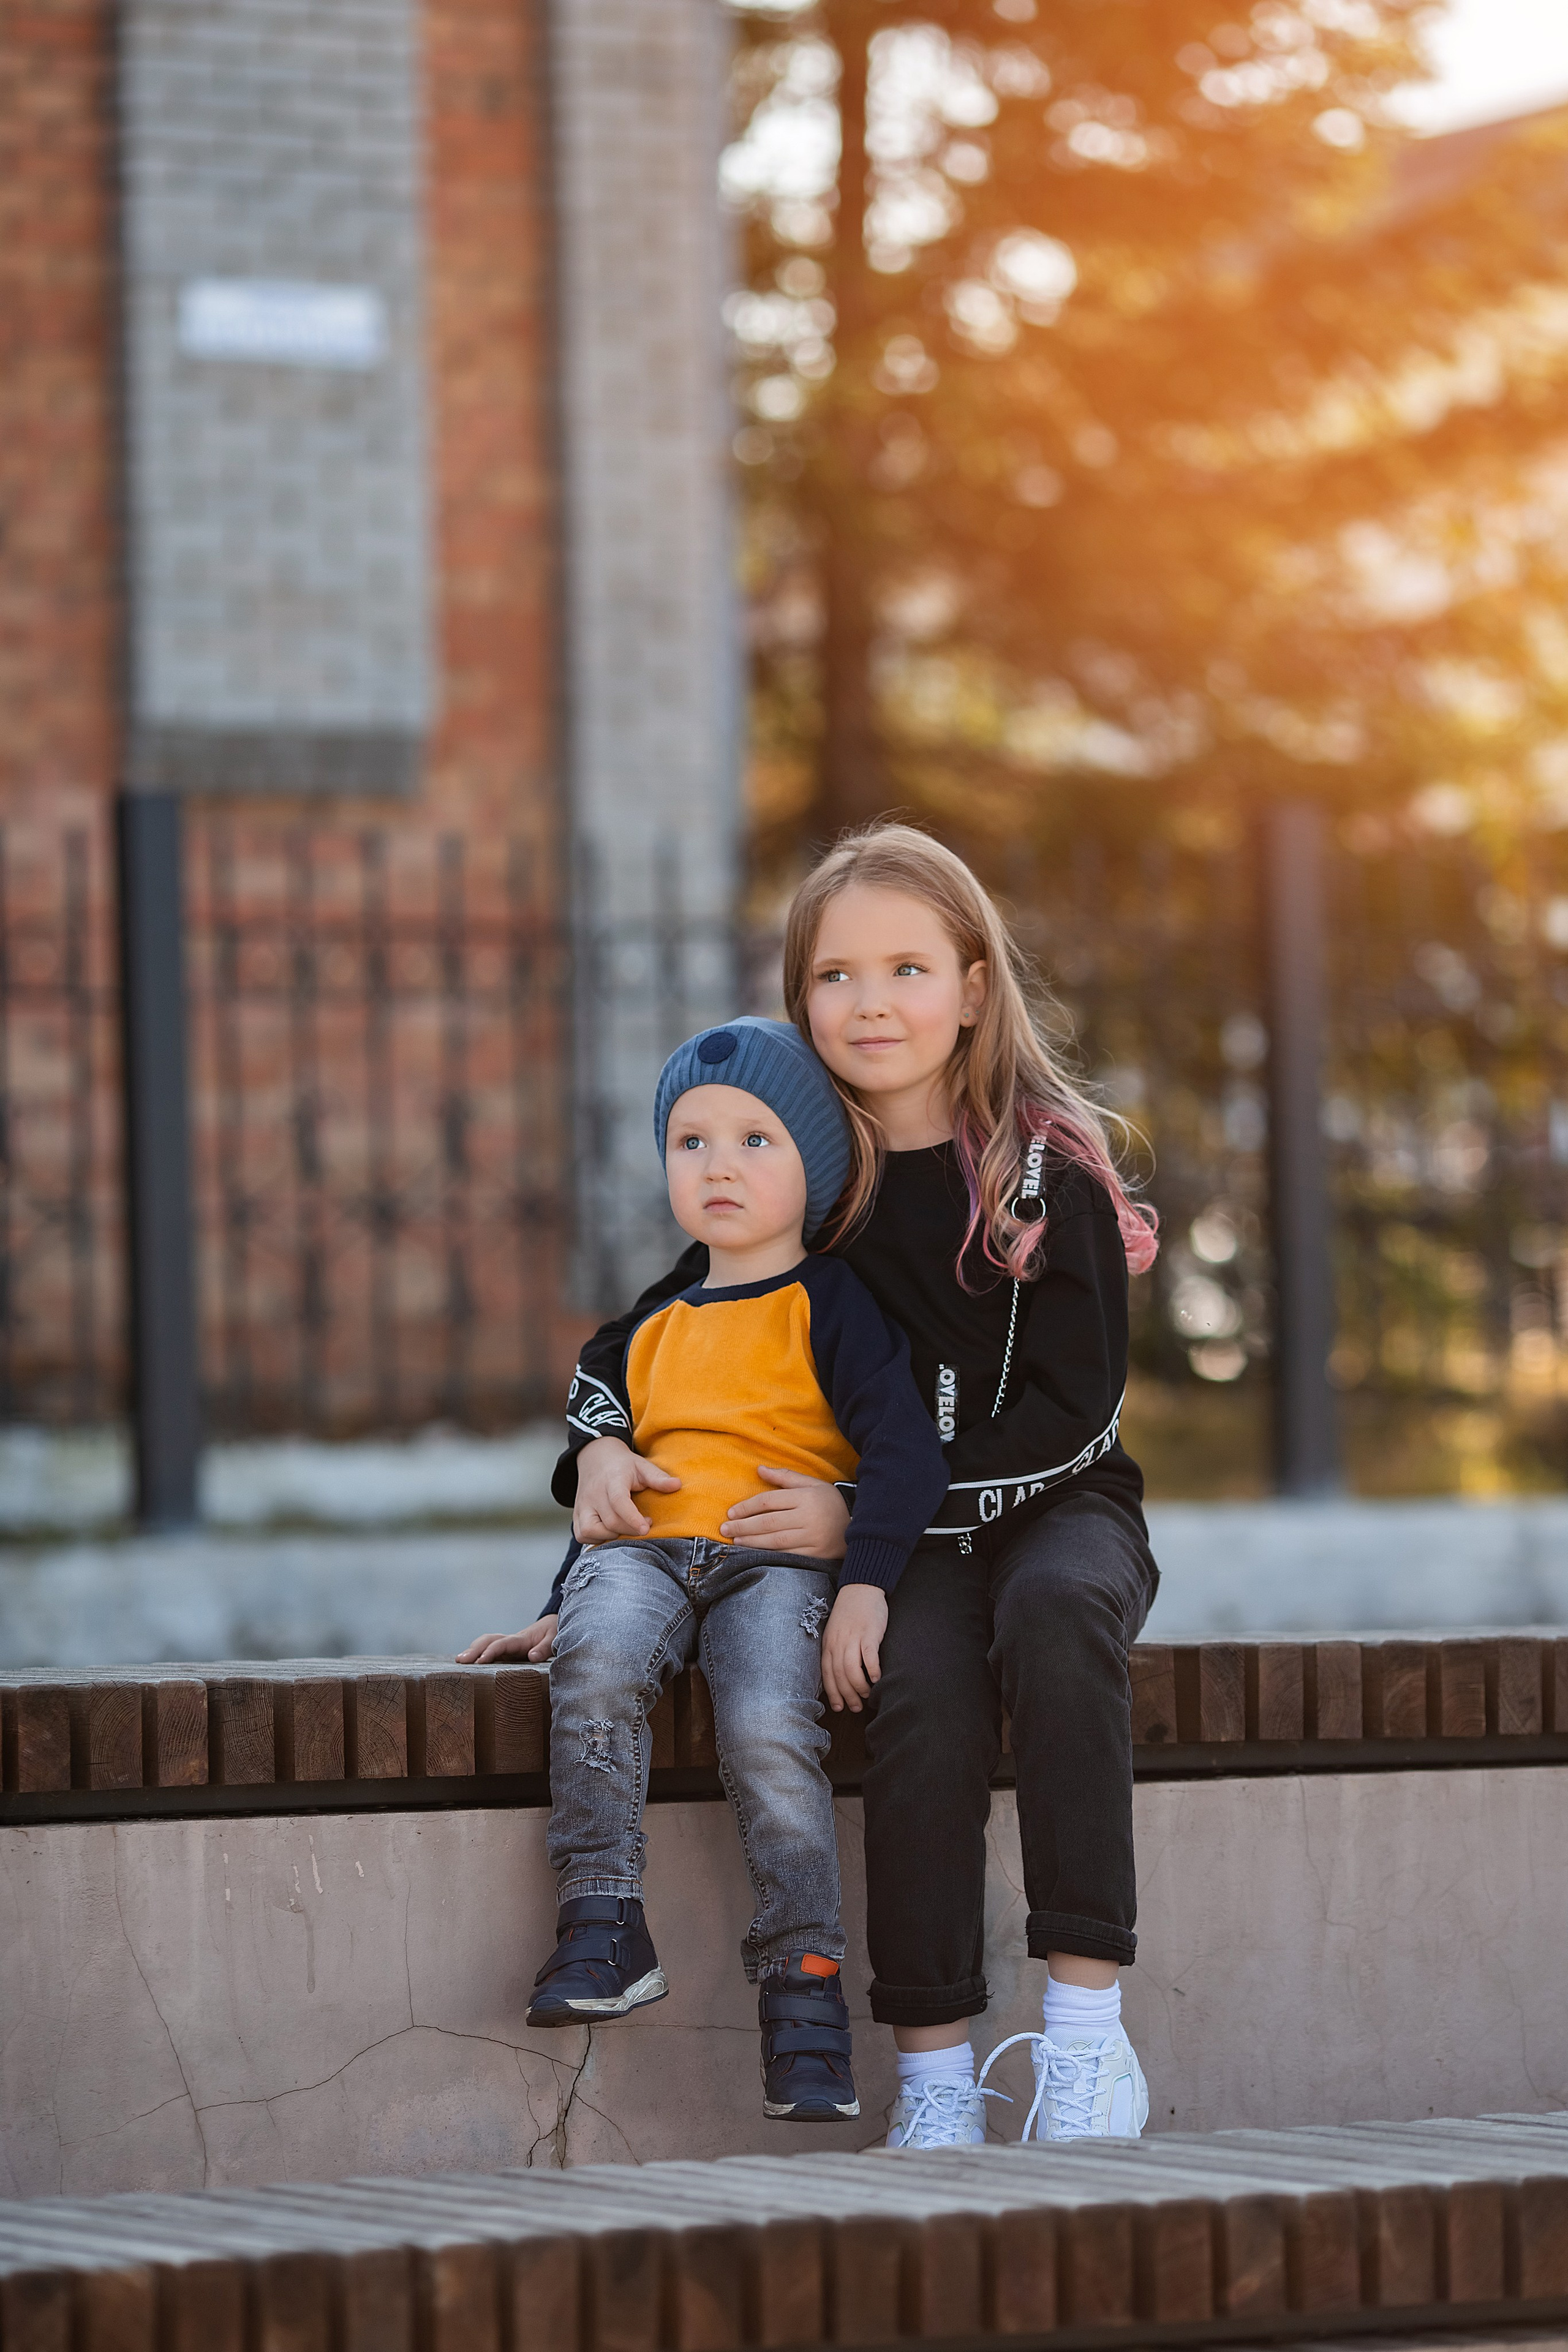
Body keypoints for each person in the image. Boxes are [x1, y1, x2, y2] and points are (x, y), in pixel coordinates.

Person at [549, 825, 1161, 2149]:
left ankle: (1083, 2043)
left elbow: (1076, 1414)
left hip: (1059, 1515)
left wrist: (865, 1519)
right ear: (798, 1000)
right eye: (834, 976)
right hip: (901, 1553)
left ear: (972, 985)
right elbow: (661, 1348)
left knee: (1054, 1622)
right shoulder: (810, 1182)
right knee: (911, 1690)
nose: (869, 1004)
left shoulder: (1044, 1168)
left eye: (904, 968)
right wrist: (595, 1475)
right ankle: (934, 2076)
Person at [460, 1015, 948, 2125]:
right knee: (594, 1671)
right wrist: (559, 1602)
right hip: (645, 1559)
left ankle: (805, 1991)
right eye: (691, 1142)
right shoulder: (643, 1329)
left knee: (769, 1729)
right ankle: (603, 1920)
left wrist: (866, 1576)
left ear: (815, 1171)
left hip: (774, 1566)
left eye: (755, 1141)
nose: (719, 1164)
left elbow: (909, 1454)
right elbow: (604, 1493)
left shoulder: (832, 1303)